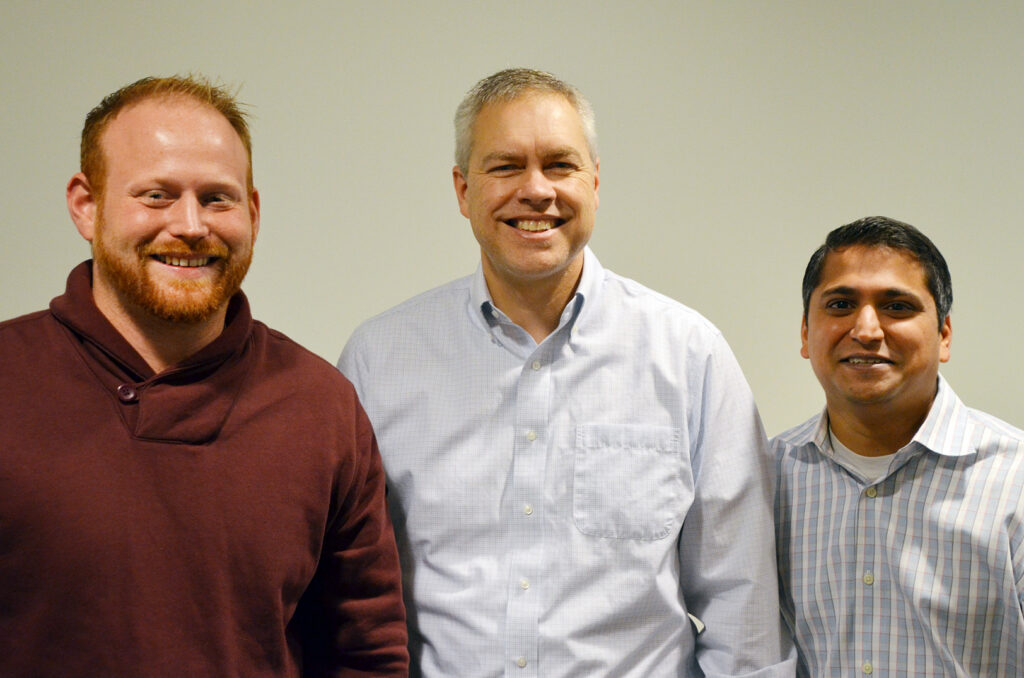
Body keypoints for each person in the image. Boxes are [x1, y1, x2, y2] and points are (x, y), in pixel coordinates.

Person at [339, 67, 793, 677]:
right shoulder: (379, 361)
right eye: (505, 167)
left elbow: (744, 606)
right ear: (462, 190)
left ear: (596, 182)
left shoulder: (690, 356)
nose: (536, 190)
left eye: (560, 165)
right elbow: (353, 599)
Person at [0, 75, 408, 677]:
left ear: (254, 211)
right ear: (86, 206)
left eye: (218, 198)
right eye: (157, 196)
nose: (191, 226)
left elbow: (366, 655)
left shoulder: (320, 407)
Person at [774, 215, 1024, 676]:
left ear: (944, 334)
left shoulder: (1015, 481)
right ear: (806, 334)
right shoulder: (765, 480)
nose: (867, 330)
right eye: (841, 303)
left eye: (897, 307)